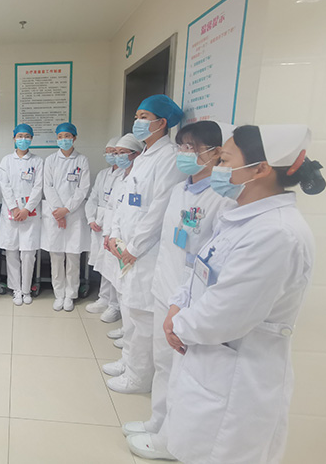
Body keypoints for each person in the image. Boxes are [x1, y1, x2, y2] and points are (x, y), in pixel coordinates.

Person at [130, 125, 324, 463]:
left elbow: (228, 313)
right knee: (194, 439)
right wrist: (178, 304)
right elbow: (200, 268)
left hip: (238, 370)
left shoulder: (276, 234)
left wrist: (178, 325)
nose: (218, 168)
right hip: (207, 352)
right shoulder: (239, 217)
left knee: (222, 449)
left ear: (260, 169)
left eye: (224, 160)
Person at [122, 121, 235, 456]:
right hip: (165, 289)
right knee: (163, 363)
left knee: (184, 372)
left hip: (192, 299)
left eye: (193, 148)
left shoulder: (222, 199)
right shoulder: (179, 190)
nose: (185, 154)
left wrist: (184, 301)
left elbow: (212, 258)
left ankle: (173, 441)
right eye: (183, 147)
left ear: (216, 153)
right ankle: (159, 422)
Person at [106, 95, 186, 394]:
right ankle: (128, 362)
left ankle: (139, 378)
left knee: (141, 315)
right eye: (137, 116)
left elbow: (158, 210)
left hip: (145, 252)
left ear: (161, 122)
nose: (137, 122)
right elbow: (124, 202)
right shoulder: (143, 158)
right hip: (126, 248)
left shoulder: (169, 158)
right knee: (130, 310)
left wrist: (134, 248)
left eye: (143, 117)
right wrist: (115, 236)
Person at [96, 134, 144, 376]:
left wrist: (125, 242)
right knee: (121, 286)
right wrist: (110, 234)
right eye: (116, 153)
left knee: (129, 292)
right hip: (118, 239)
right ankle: (126, 332)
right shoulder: (122, 179)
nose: (118, 157)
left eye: (122, 153)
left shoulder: (139, 178)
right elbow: (114, 209)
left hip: (132, 244)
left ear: (136, 154)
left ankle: (130, 338)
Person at [41, 122, 91, 312]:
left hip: (74, 214)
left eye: (67, 136)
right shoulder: (50, 160)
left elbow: (83, 188)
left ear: (74, 138)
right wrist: (59, 211)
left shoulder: (82, 160)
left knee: (73, 256)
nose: (63, 140)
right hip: (55, 215)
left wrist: (67, 209)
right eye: (60, 136)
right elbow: (48, 186)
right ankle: (59, 294)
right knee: (56, 256)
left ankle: (70, 295)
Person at [0, 123, 44, 305]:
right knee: (11, 252)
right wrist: (14, 208)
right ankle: (16, 289)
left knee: (28, 253)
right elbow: (4, 185)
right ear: (14, 138)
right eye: (20, 136)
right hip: (11, 212)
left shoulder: (37, 161)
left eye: (26, 136)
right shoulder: (6, 161)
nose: (23, 139)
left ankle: (26, 290)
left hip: (29, 214)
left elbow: (38, 187)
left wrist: (26, 209)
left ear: (31, 139)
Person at [85, 135, 121, 320]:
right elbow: (93, 198)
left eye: (114, 152)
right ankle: (104, 298)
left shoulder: (127, 175)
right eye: (107, 152)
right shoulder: (103, 174)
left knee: (113, 265)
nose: (111, 156)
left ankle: (115, 304)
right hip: (98, 224)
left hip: (114, 226)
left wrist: (105, 223)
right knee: (104, 264)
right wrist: (91, 218)